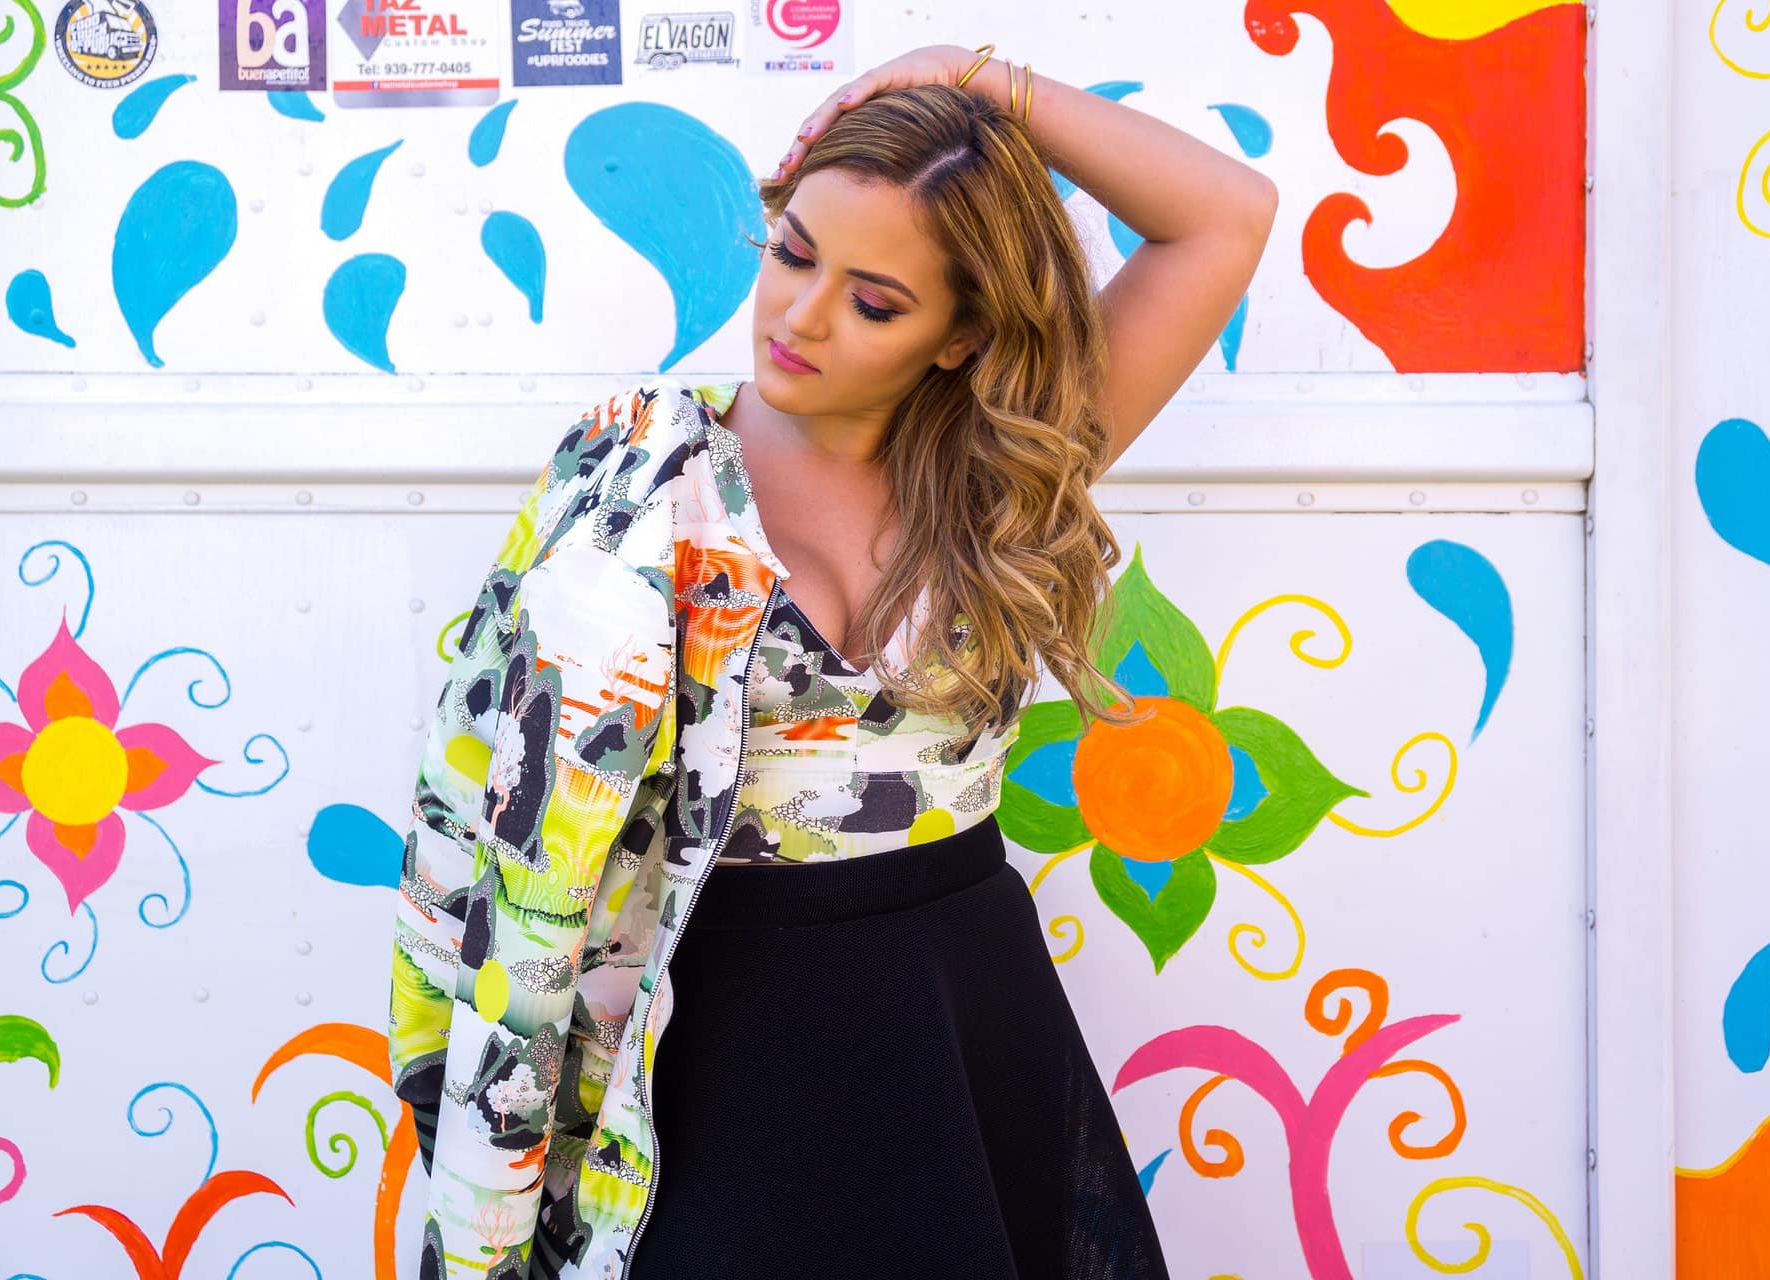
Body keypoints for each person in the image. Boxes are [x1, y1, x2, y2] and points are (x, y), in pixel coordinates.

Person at [389, 42, 1276, 1280]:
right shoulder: (643, 485)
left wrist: (979, 79)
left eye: (875, 301)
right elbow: (506, 820)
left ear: (961, 336)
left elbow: (1227, 217)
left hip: (964, 1022)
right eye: (794, 254)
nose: (800, 317)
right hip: (720, 1048)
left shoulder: (1001, 482)